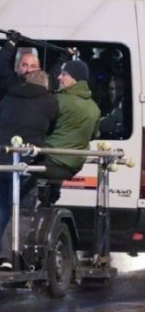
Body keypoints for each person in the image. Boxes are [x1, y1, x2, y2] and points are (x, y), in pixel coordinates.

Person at [0, 69, 58, 253]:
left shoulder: (8, 97)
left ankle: (1, 253)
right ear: (45, 86)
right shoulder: (49, 102)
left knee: (5, 208)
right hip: (24, 161)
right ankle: (9, 256)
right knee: (23, 211)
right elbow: (51, 127)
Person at [40, 59, 100, 206]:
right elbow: (93, 135)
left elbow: (41, 128)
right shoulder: (94, 107)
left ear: (75, 79)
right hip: (73, 165)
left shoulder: (58, 101)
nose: (59, 77)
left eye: (64, 74)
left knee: (18, 168)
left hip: (51, 160)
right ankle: (51, 198)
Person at [0, 39, 40, 115]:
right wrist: (10, 44)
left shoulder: (43, 88)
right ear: (18, 67)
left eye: (33, 66)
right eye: (24, 65)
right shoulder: (11, 83)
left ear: (39, 69)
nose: (28, 70)